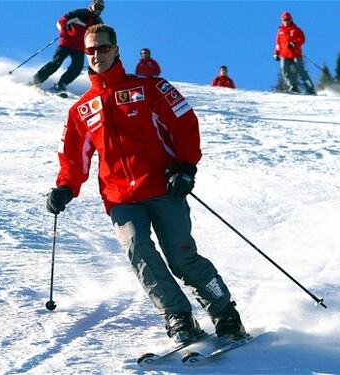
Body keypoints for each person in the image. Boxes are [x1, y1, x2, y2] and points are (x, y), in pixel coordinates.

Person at [45, 24, 247, 344]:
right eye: (91, 50)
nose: (97, 55)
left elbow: (184, 123)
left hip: (163, 186)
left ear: (116, 49)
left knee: (181, 258)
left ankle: (224, 312)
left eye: (103, 48)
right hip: (119, 196)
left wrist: (184, 167)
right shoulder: (81, 109)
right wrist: (65, 188)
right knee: (140, 253)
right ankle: (178, 315)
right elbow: (73, 157)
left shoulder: (149, 87)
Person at [31, 0, 105, 93]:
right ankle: (36, 80)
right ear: (92, 5)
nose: (98, 10)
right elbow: (62, 21)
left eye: (100, 8)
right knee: (56, 62)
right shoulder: (80, 13)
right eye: (96, 6)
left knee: (77, 68)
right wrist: (63, 32)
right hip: (67, 42)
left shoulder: (97, 22)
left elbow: (99, 37)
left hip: (80, 48)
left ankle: (62, 84)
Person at [273, 11, 316, 94]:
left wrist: (294, 43)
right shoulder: (280, 32)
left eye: (287, 19)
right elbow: (278, 44)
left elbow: (302, 39)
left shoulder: (296, 30)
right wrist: (276, 53)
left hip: (295, 54)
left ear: (291, 19)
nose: (286, 21)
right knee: (285, 70)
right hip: (284, 54)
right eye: (284, 20)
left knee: (300, 71)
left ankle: (310, 88)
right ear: (282, 20)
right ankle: (293, 87)